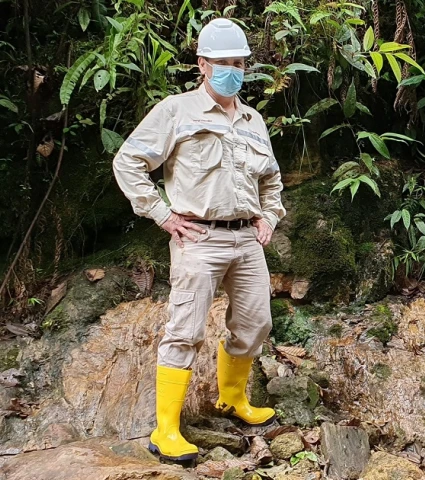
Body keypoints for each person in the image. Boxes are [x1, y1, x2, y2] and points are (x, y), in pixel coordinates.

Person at [112, 18, 285, 462]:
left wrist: (269, 216)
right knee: (184, 330)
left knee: (255, 324)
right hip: (199, 237)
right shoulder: (177, 110)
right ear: (202, 64)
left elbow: (272, 179)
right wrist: (162, 214)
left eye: (240, 63)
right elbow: (129, 161)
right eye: (223, 62)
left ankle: (232, 400)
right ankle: (165, 430)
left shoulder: (252, 119)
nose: (233, 70)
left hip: (246, 238)